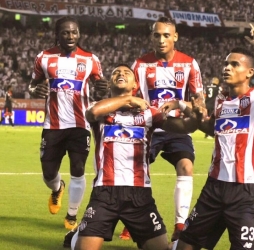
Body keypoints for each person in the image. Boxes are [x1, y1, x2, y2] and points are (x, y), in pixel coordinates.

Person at [170, 24, 254, 250]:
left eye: (234, 64)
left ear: (249, 72)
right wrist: (189, 110)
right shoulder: (221, 100)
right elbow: (214, 129)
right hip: (214, 187)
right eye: (226, 63)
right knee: (184, 246)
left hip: (245, 191)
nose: (226, 68)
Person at [71, 64, 200, 250]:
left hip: (139, 195)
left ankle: (82, 232)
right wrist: (128, 99)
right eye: (116, 72)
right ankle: (80, 234)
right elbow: (92, 113)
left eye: (126, 73)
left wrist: (191, 111)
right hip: (105, 192)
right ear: (110, 84)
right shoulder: (100, 108)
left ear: (135, 84)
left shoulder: (149, 112)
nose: (121, 74)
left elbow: (185, 128)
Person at [120, 16, 205, 242]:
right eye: (156, 35)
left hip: (178, 127)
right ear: (151, 36)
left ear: (175, 37)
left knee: (186, 167)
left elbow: (199, 100)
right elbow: (130, 97)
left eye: (166, 35)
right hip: (148, 127)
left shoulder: (189, 64)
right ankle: (133, 220)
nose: (161, 39)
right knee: (136, 171)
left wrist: (189, 106)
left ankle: (180, 225)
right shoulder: (140, 64)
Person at [28, 16, 108, 230]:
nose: (70, 36)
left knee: (78, 168)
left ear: (79, 34)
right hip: (52, 125)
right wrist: (36, 90)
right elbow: (32, 85)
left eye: (74, 32)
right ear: (58, 34)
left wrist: (103, 90)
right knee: (48, 173)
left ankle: (72, 214)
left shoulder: (91, 59)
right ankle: (57, 189)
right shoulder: (43, 57)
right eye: (65, 32)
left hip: (80, 124)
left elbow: (101, 87)